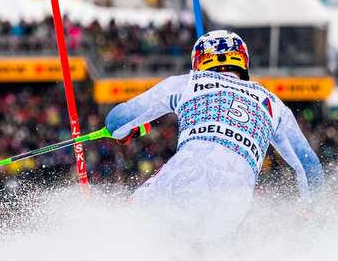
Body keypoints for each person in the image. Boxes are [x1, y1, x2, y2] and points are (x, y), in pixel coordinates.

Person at [105, 30, 323, 233]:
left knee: (129, 225)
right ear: (243, 61)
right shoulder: (274, 104)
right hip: (232, 206)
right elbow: (310, 167)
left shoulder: (188, 83)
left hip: (181, 181)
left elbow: (116, 122)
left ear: (198, 60)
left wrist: (125, 133)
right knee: (205, 247)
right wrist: (309, 212)